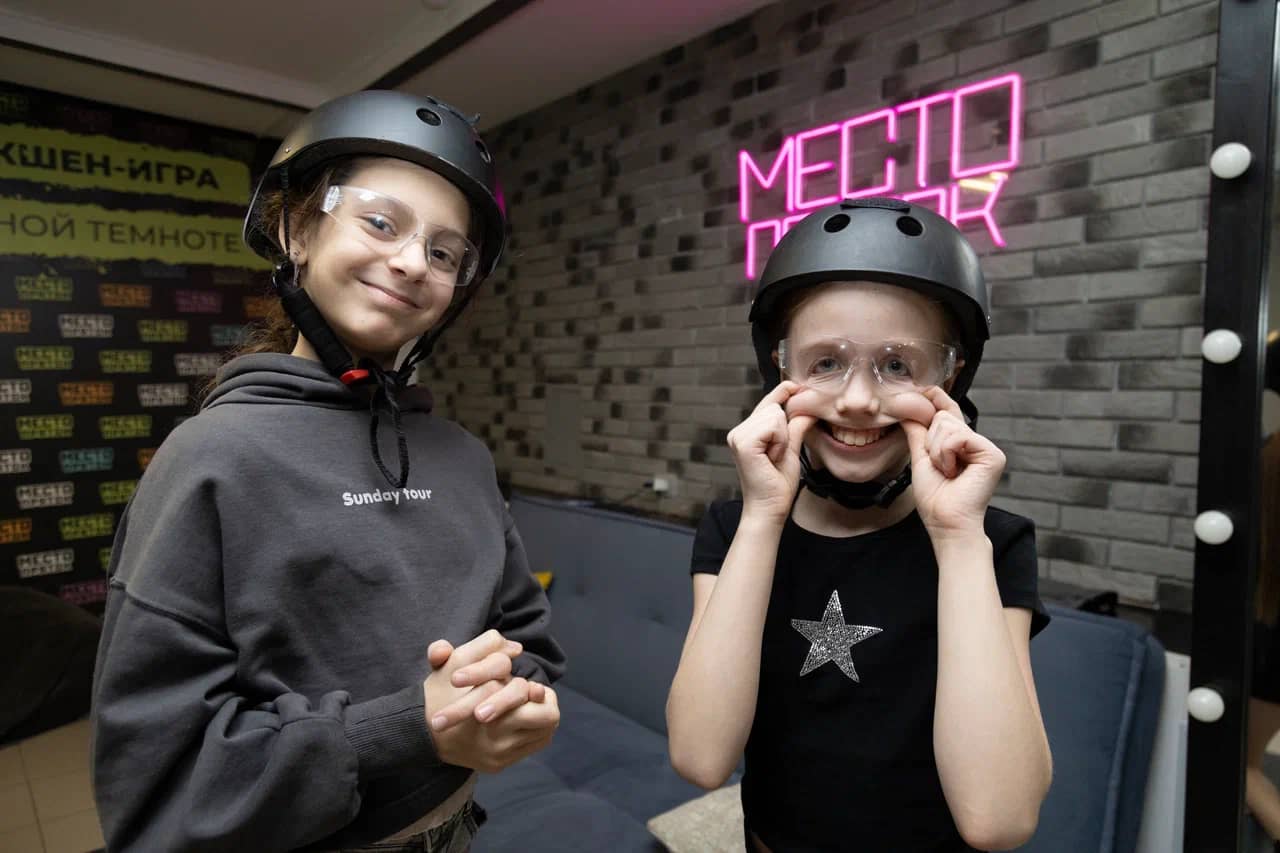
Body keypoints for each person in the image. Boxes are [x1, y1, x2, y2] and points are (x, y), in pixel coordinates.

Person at [91, 90, 565, 853]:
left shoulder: (463, 457)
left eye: (446, 253)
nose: (411, 261)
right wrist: (410, 727)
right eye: (381, 222)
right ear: (297, 229)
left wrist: (513, 698)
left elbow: (528, 639)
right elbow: (157, 782)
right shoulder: (211, 460)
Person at [666, 198, 1052, 852]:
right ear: (781, 369)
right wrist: (762, 517)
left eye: (898, 365)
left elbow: (1000, 818)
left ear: (950, 377)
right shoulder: (735, 529)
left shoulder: (993, 543)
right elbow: (701, 757)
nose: (857, 399)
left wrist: (959, 538)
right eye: (825, 362)